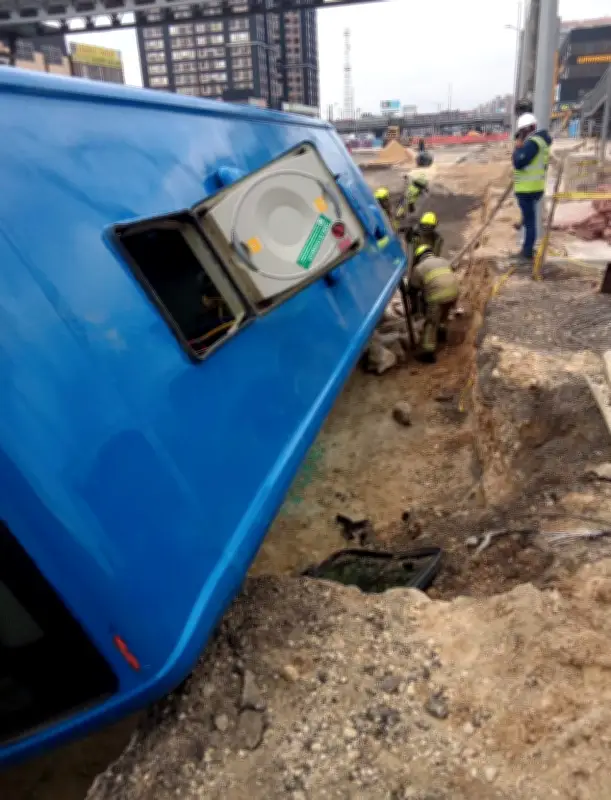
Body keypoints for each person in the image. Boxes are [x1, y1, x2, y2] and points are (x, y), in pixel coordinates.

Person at [512, 112, 552, 264]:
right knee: (529, 219)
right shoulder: (542, 142)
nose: (521, 135)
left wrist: (517, 150)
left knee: (530, 221)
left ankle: (527, 250)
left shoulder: (533, 143)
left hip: (527, 189)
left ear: (529, 129)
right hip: (535, 187)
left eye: (522, 131)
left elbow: (519, 162)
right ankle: (527, 246)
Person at [410, 244, 459, 363]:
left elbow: (413, 289)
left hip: (437, 297)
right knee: (444, 313)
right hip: (454, 294)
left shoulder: (419, 268)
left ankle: (428, 353)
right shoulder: (443, 260)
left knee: (431, 323)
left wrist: (414, 307)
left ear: (419, 257)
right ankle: (442, 333)